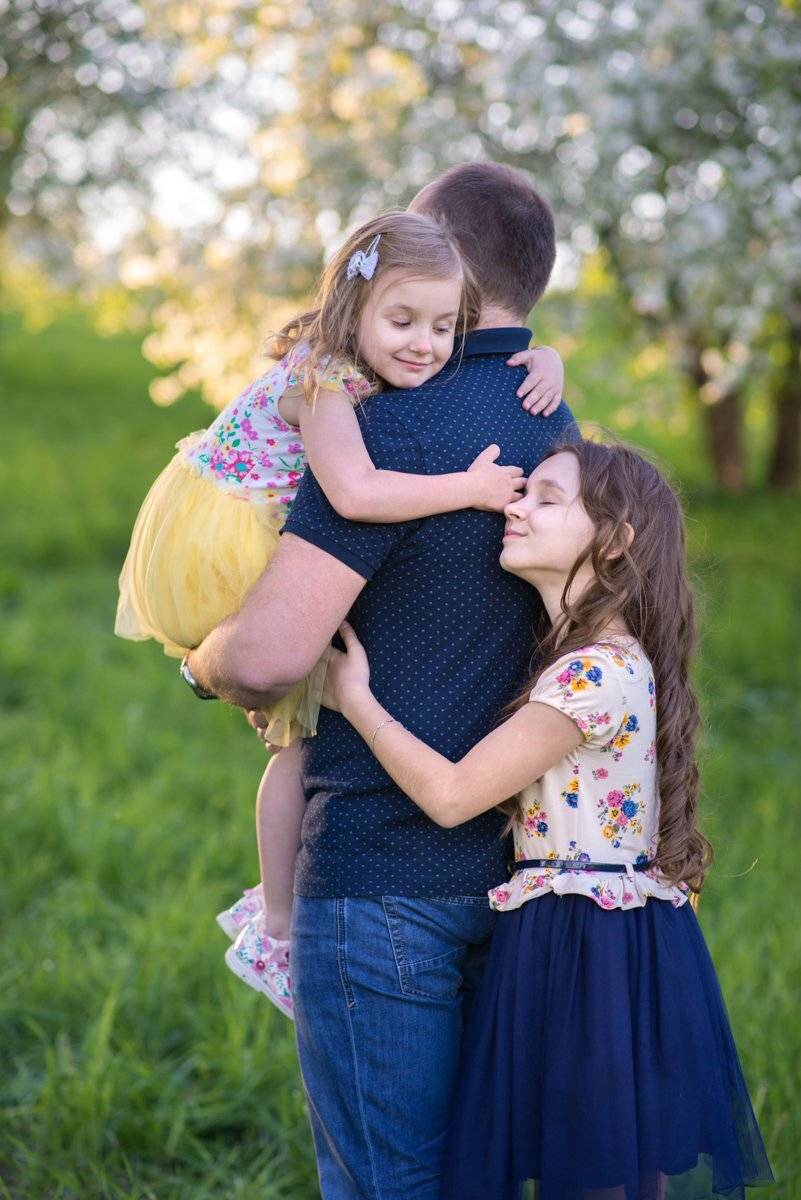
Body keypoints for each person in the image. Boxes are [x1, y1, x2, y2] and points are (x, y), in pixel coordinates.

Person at [185, 160, 578, 1198]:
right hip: (521, 868)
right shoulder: (563, 434)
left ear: (452, 268)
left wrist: (203, 665)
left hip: (380, 875)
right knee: (479, 1173)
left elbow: (270, 657)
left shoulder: (389, 427)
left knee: (387, 1181)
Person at [115, 208, 564, 1019]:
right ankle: (280, 925)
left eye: (444, 327)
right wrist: (467, 487)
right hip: (222, 540)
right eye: (402, 321)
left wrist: (545, 356)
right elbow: (354, 494)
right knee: (294, 741)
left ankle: (277, 916)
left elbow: (477, 345)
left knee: (296, 737)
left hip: (249, 521)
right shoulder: (324, 379)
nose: (424, 345)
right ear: (351, 308)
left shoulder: (367, 363)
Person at [322, 439, 775, 1200]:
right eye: (523, 490)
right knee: (612, 1166)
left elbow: (452, 796)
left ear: (614, 540)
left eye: (546, 498)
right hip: (604, 932)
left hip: (582, 940)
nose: (517, 506)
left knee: (591, 1171)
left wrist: (355, 699)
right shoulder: (607, 659)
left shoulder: (589, 671)